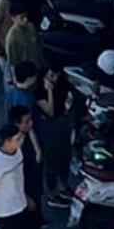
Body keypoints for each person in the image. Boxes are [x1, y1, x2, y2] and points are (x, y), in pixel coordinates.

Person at [8, 105, 58, 229]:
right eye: (26, 121)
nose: (30, 124)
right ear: (17, 124)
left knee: (36, 224)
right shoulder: (15, 147)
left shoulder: (27, 136)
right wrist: (24, 196)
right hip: (25, 192)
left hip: (34, 186)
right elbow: (14, 176)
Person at [39, 66, 73, 207]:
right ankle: (52, 193)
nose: (55, 78)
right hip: (49, 127)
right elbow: (49, 111)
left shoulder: (63, 84)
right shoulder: (40, 92)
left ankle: (63, 186)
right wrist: (49, 91)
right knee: (51, 161)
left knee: (65, 156)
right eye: (52, 74)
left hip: (63, 123)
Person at [4, 0, 45, 71]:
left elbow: (38, 46)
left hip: (37, 66)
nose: (25, 20)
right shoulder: (12, 38)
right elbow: (13, 63)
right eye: (22, 18)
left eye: (26, 16)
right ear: (13, 18)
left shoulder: (31, 27)